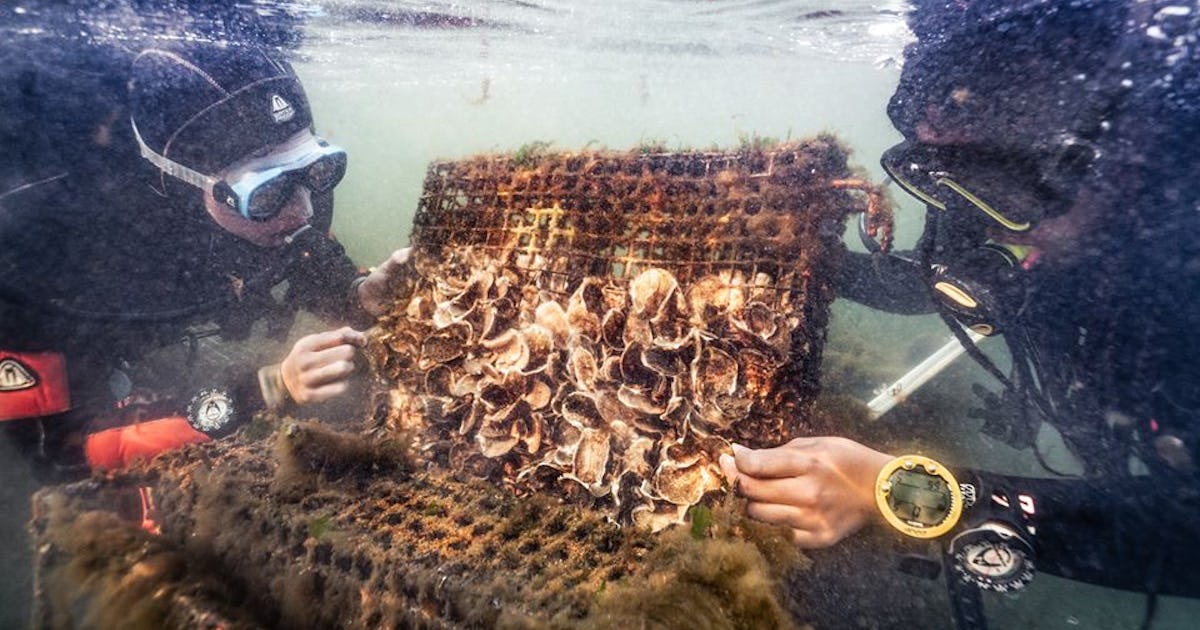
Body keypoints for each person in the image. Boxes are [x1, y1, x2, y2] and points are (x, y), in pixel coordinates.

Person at [719, 0, 1200, 619]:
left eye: (1004, 193)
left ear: (1124, 157)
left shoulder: (1177, 276)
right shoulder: (993, 171)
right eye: (949, 178)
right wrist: (812, 262)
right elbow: (937, 282)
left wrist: (904, 492)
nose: (982, 219)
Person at [0, 41, 408, 478]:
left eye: (317, 169)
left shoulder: (297, 199)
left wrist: (358, 295)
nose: (302, 210)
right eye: (266, 192)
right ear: (186, 185)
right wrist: (268, 387)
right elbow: (61, 450)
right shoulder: (48, 259)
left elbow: (306, 260)